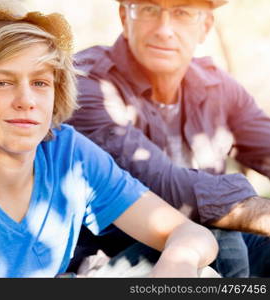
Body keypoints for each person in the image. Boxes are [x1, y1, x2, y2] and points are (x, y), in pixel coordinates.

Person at [0, 0, 218, 278]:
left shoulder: (68, 153)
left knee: (200, 274)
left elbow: (192, 234)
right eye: (2, 82)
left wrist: (176, 265)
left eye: (41, 83)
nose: (26, 99)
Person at [67, 0, 270, 277]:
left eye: (183, 12)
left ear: (205, 26)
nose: (164, 29)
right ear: (125, 16)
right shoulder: (88, 84)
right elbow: (165, 186)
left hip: (201, 248)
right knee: (215, 234)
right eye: (149, 9)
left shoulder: (218, 87)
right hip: (109, 260)